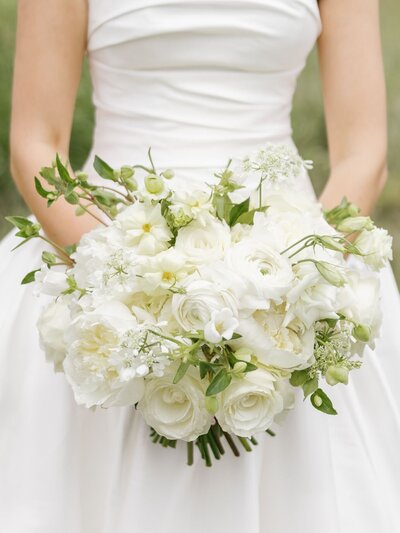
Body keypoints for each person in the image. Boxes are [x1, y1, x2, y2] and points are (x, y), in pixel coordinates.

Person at [1, 0, 399, 531]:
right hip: (102, 242)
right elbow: (36, 146)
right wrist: (122, 282)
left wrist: (299, 284)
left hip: (287, 263)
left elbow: (364, 153)